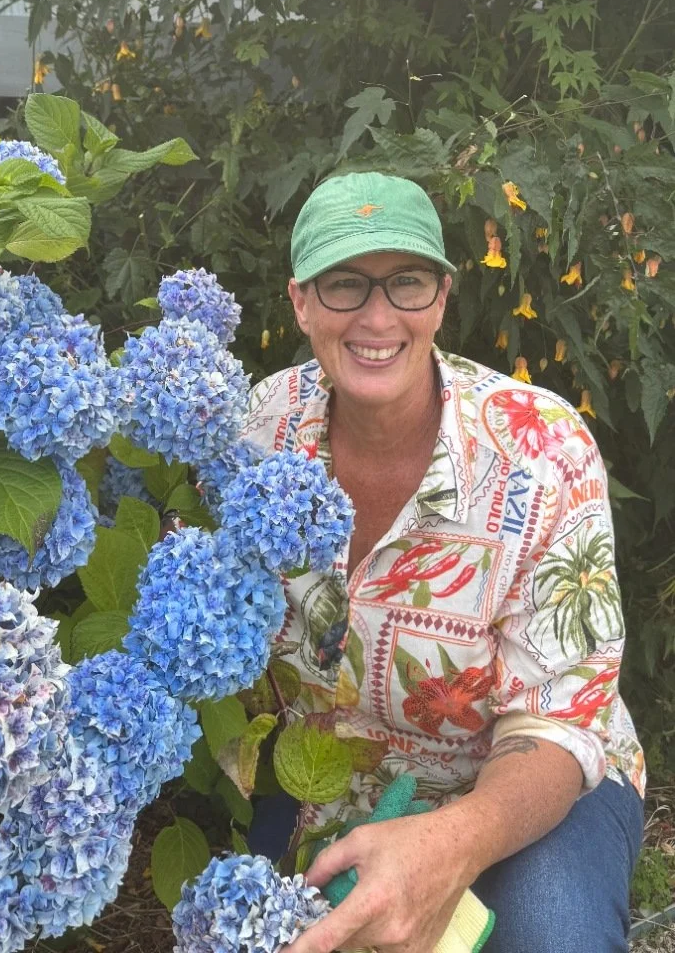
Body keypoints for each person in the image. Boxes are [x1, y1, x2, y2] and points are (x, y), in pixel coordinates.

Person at [240, 171, 646, 953]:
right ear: (299, 302)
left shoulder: (542, 449)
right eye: (344, 285)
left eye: (406, 282)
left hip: (529, 778)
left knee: (547, 938)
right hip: (322, 774)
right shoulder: (256, 433)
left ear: (442, 296)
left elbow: (559, 719)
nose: (377, 315)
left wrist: (445, 847)